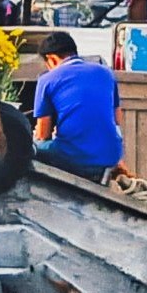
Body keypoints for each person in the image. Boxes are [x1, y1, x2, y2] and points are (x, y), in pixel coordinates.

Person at [31, 30, 123, 181]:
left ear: (51, 59)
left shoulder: (46, 80)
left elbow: (43, 134)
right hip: (111, 155)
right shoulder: (106, 72)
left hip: (72, 157)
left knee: (32, 148)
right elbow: (117, 119)